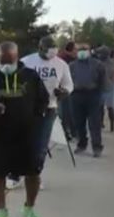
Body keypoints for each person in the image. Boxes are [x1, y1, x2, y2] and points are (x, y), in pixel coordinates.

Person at [0, 42, 49, 217]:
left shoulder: (30, 76)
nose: (6, 63)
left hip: (26, 134)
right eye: (2, 60)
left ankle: (29, 208)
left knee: (33, 173)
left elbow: (43, 99)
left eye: (10, 59)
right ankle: (1, 211)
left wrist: (35, 116)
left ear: (17, 57)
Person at [19, 36, 74, 187]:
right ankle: (16, 173)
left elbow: (69, 85)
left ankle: (34, 175)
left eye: (54, 53)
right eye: (48, 53)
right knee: (23, 142)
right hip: (27, 108)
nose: (51, 57)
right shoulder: (26, 62)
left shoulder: (61, 64)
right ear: (40, 49)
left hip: (49, 108)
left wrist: (64, 91)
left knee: (41, 146)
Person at [70, 43, 107, 157]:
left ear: (89, 51)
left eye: (84, 49)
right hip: (76, 95)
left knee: (94, 123)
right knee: (78, 123)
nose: (82, 52)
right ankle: (81, 144)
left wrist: (101, 96)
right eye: (79, 50)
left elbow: (103, 81)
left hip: (93, 95)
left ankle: (97, 147)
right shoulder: (71, 65)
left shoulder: (98, 65)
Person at [57, 41, 78, 140]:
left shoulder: (71, 59)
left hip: (69, 88)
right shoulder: (63, 60)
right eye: (75, 49)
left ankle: (70, 132)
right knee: (66, 112)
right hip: (64, 89)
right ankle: (67, 133)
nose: (77, 52)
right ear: (70, 50)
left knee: (68, 112)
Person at [95, 46, 114, 132]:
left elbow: (105, 74)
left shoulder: (108, 63)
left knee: (108, 107)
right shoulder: (112, 62)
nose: (98, 55)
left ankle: (111, 125)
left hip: (107, 88)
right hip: (106, 87)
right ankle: (101, 123)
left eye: (100, 53)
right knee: (101, 107)